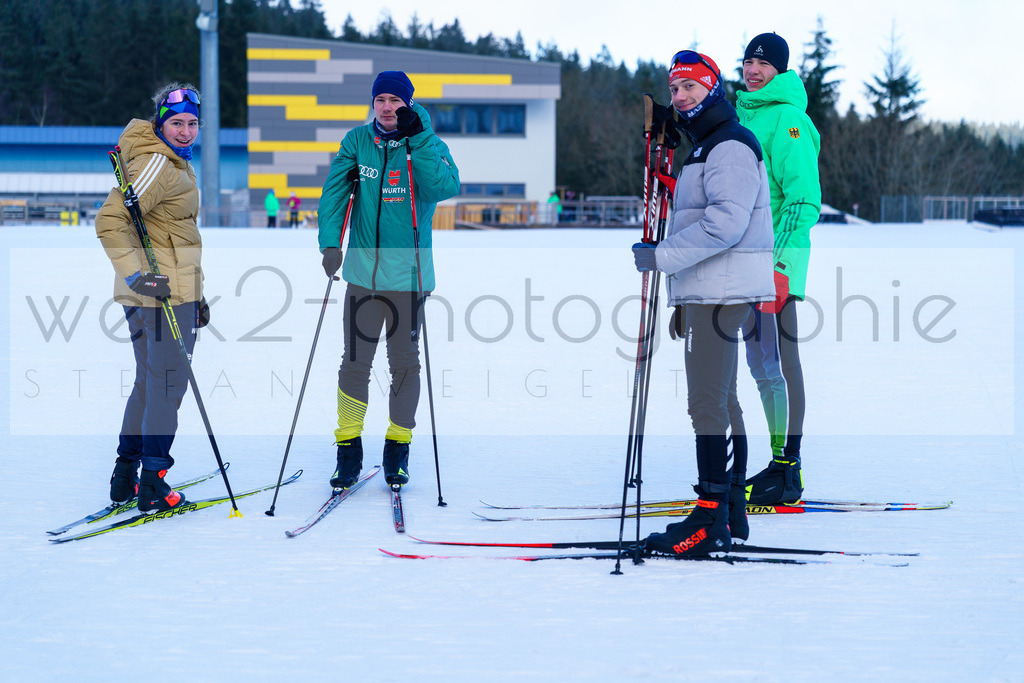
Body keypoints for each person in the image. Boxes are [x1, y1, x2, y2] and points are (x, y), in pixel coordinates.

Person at [631, 51, 774, 556]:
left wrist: (661, 257)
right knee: (722, 397)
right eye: (675, 89)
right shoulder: (708, 144)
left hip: (722, 289)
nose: (681, 96)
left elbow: (725, 224)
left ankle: (709, 517)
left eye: (691, 86)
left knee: (706, 402)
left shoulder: (729, 145)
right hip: (711, 289)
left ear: (712, 89)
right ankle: (730, 507)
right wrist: (683, 294)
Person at [318, 70, 459, 489]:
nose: (387, 107)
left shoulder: (428, 145)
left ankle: (398, 449)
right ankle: (348, 450)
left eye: (395, 101)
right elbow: (334, 194)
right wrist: (330, 243)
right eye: (380, 99)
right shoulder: (357, 142)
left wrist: (420, 139)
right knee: (354, 365)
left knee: (404, 366)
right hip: (363, 275)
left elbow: (442, 187)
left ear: (408, 104)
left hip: (410, 278)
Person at [95, 83, 210, 513]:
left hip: (172, 291)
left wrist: (196, 294)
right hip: (157, 295)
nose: (185, 132)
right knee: (165, 388)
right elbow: (111, 221)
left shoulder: (172, 161)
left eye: (192, 123)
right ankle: (153, 482)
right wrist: (139, 277)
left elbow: (174, 235)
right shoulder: (159, 163)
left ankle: (125, 475)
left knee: (149, 384)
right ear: (160, 122)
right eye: (176, 123)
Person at [735, 32, 821, 504]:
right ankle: (776, 463)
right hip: (742, 265)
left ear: (780, 71)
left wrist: (782, 266)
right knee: (761, 366)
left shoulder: (787, 118)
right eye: (748, 61)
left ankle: (789, 468)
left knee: (781, 363)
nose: (753, 70)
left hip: (774, 267)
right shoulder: (743, 117)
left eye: (763, 64)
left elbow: (804, 200)